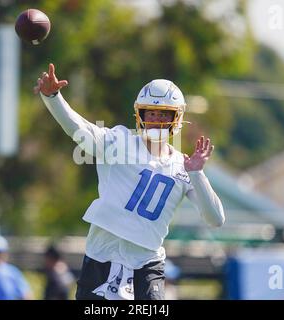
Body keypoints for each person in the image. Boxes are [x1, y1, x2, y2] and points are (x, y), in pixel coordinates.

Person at [34, 63, 225, 300]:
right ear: (140, 114)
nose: (155, 120)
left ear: (176, 118)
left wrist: (197, 173)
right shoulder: (119, 143)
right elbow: (79, 127)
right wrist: (53, 97)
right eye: (151, 113)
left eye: (163, 114)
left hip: (147, 263)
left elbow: (215, 219)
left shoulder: (184, 166)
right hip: (102, 255)